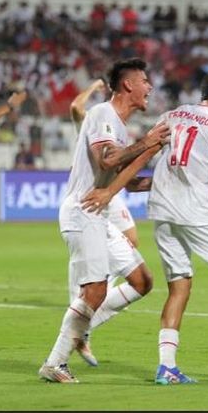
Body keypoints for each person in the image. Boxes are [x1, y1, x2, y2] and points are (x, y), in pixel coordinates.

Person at [81, 72, 208, 385]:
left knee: (179, 286)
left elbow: (142, 155)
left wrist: (114, 189)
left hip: (161, 212)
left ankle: (167, 367)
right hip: (197, 211)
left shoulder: (172, 115)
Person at [38, 58, 169, 383]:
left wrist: (169, 179)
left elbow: (128, 179)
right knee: (94, 290)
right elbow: (108, 158)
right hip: (83, 211)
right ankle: (55, 363)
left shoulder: (119, 128)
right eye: (144, 80)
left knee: (142, 281)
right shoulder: (102, 114)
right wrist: (149, 142)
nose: (149, 87)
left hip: (97, 214)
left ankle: (79, 328)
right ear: (128, 85)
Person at [65, 78, 143, 367]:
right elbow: (75, 106)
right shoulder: (93, 121)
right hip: (91, 193)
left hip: (111, 193)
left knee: (131, 241)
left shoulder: (115, 128)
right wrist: (94, 87)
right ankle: (80, 322)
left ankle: (85, 322)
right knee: (89, 275)